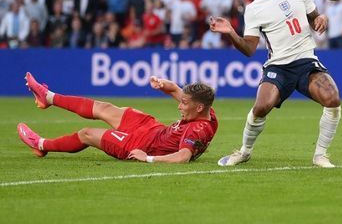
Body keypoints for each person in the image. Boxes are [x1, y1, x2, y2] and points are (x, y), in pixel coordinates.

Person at [209, 0, 341, 168]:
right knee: (261, 107)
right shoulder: (254, 8)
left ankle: (320, 155)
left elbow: (315, 19)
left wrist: (322, 19)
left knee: (332, 99)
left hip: (306, 60)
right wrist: (231, 32)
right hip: (278, 66)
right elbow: (249, 49)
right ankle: (244, 151)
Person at [17, 73, 218, 163]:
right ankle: (49, 97)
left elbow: (183, 157)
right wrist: (164, 85)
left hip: (140, 145)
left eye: (184, 103)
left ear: (198, 107)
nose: (179, 105)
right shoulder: (206, 112)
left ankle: (41, 145)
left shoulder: (197, 129)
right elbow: (175, 89)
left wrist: (146, 158)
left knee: (87, 133)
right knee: (104, 108)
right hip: (152, 129)